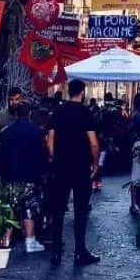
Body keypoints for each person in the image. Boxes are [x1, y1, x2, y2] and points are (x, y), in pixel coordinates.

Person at [47, 79, 99, 267]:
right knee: (80, 210)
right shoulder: (86, 113)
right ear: (82, 93)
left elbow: (50, 139)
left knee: (58, 210)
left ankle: (56, 252)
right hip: (80, 166)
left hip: (60, 166)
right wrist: (95, 164)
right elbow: (93, 142)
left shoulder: (57, 112)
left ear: (69, 91)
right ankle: (80, 251)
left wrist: (53, 158)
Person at [0, 99, 48, 253]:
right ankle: (30, 240)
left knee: (11, 207)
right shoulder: (36, 131)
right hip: (30, 174)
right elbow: (43, 154)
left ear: (16, 113)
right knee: (29, 207)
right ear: (30, 113)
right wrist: (44, 172)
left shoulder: (7, 132)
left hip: (10, 174)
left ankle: (6, 239)